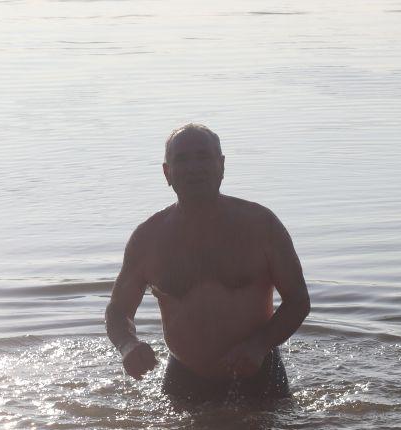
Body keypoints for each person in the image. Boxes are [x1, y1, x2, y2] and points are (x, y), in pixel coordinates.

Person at [105, 124, 310, 403]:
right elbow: (118, 311)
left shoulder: (261, 226)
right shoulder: (147, 239)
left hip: (258, 373)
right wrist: (128, 346)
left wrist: (259, 345)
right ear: (167, 173)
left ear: (221, 165)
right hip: (184, 378)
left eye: (204, 157)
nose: (194, 167)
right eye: (182, 159)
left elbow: (298, 300)